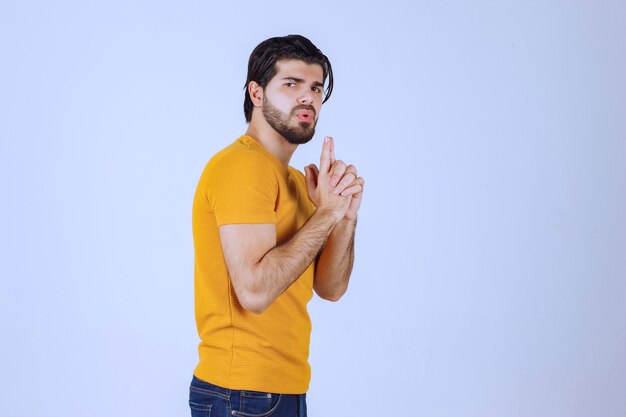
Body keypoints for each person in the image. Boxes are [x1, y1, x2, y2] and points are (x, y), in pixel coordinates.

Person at [189, 34, 364, 417]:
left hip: (280, 391)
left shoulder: (297, 183)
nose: (308, 97)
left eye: (315, 88)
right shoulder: (242, 166)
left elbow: (330, 288)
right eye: (291, 85)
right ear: (256, 93)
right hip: (242, 392)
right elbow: (254, 292)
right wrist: (326, 215)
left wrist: (343, 216)